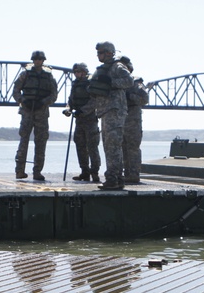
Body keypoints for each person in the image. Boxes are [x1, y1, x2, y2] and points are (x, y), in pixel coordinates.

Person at [89, 41, 133, 190]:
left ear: (109, 52)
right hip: (105, 111)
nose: (98, 55)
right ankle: (118, 179)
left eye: (101, 52)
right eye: (97, 53)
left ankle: (112, 179)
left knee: (112, 146)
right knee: (110, 146)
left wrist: (111, 82)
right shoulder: (101, 69)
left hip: (114, 111)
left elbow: (129, 81)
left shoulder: (117, 67)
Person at [12, 50, 58, 180]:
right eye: (35, 59)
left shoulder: (49, 76)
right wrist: (23, 100)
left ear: (43, 60)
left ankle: (37, 171)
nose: (37, 61)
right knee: (23, 140)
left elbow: (54, 94)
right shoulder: (25, 74)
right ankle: (19, 170)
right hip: (27, 111)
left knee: (41, 142)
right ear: (33, 60)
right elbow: (15, 90)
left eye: (40, 59)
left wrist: (43, 102)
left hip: (41, 112)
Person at [63, 62, 101, 182]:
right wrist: (68, 109)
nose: (76, 74)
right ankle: (84, 172)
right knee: (80, 146)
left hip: (90, 120)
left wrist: (83, 110)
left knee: (92, 147)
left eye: (78, 72)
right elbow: (70, 100)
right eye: (75, 72)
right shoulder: (75, 84)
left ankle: (94, 172)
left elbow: (95, 101)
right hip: (79, 120)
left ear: (84, 72)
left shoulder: (91, 83)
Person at [118, 56, 149, 185]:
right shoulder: (117, 83)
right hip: (120, 119)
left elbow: (144, 99)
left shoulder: (136, 83)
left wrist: (129, 96)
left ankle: (134, 174)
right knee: (122, 148)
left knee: (132, 148)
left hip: (132, 121)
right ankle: (127, 173)